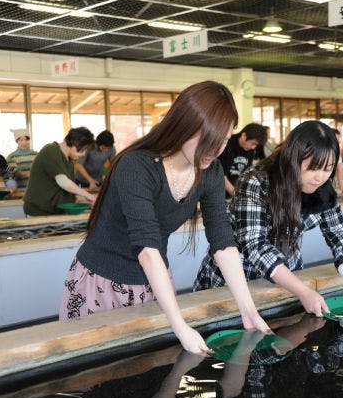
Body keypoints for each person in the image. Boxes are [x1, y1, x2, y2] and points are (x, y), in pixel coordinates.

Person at [58, 81, 271, 354]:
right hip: (102, 282)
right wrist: (180, 326)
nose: (214, 151)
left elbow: (223, 242)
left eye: (223, 141)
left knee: (147, 367)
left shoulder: (211, 172)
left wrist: (249, 309)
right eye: (207, 141)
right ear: (182, 126)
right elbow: (147, 249)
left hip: (153, 283)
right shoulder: (136, 166)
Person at [194, 120, 343, 317]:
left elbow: (339, 232)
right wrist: (302, 290)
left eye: (327, 169)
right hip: (236, 280)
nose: (320, 177)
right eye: (313, 168)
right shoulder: (256, 182)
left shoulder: (322, 189)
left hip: (285, 278)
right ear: (294, 159)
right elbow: (256, 245)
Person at [23, 127, 97, 215]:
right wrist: (87, 195)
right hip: (39, 210)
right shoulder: (51, 150)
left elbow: (67, 188)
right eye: (82, 150)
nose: (83, 154)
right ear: (74, 143)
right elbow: (63, 181)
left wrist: (82, 200)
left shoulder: (69, 160)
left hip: (55, 210)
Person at [218, 123, 268, 197]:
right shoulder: (227, 145)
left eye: (256, 145)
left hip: (235, 191)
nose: (253, 147)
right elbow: (221, 175)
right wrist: (236, 195)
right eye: (253, 143)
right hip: (220, 192)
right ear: (244, 136)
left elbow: (245, 173)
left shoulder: (251, 151)